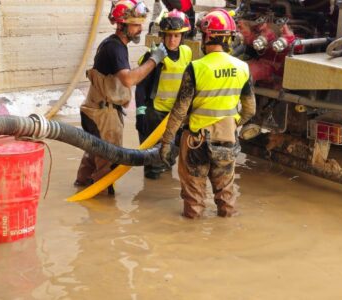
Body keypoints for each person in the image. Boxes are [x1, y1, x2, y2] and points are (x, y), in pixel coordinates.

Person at [159, 9, 257, 218]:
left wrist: (167, 142)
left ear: (208, 36)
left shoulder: (195, 68)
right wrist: (232, 123)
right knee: (226, 194)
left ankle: (192, 240)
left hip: (196, 141)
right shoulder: (242, 68)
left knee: (194, 198)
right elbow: (250, 109)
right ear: (228, 39)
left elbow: (179, 111)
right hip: (227, 140)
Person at [74, 0, 168, 194]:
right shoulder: (115, 48)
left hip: (95, 110)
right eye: (135, 24)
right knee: (110, 163)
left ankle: (82, 187)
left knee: (94, 154)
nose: (140, 28)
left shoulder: (113, 45)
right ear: (122, 24)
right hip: (103, 115)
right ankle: (103, 212)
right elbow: (129, 79)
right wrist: (155, 59)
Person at [135, 9, 193, 179]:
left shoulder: (187, 53)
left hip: (175, 115)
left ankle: (163, 188)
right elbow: (141, 87)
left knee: (169, 157)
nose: (172, 40)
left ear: (182, 36)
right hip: (155, 114)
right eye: (168, 35)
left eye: (176, 36)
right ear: (162, 35)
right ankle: (150, 195)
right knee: (152, 163)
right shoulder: (154, 56)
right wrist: (140, 114)